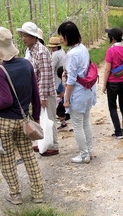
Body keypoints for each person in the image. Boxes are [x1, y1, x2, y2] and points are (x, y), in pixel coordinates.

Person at [0, 27, 44, 204]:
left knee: (7, 159)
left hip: (6, 122)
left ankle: (15, 195)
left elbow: (5, 101)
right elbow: (35, 96)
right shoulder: (26, 64)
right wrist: (35, 117)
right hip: (24, 120)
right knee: (29, 157)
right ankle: (38, 194)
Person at [17, 22, 59, 156]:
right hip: (37, 91)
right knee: (41, 119)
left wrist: (43, 97)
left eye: (27, 36)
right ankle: (42, 143)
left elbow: (46, 75)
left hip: (45, 92)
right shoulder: (30, 50)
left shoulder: (41, 51)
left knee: (49, 119)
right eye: (22, 35)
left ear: (35, 37)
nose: (24, 38)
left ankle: (53, 145)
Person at [58, 21, 96, 164]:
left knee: (78, 126)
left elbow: (71, 80)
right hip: (87, 92)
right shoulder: (83, 49)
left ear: (68, 36)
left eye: (62, 35)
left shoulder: (72, 54)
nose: (61, 38)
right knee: (86, 123)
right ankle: (89, 151)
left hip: (78, 94)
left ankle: (83, 154)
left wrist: (66, 99)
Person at [102, 27, 123, 140]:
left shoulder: (110, 51)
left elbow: (107, 70)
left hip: (113, 82)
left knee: (112, 107)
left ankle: (118, 132)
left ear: (112, 38)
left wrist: (104, 85)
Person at [56, 66, 70, 130]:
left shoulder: (61, 84)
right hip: (69, 100)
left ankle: (64, 123)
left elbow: (62, 94)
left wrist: (56, 96)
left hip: (63, 102)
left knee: (58, 112)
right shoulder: (68, 81)